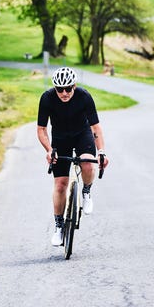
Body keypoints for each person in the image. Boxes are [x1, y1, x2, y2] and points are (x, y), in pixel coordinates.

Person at [37, 67, 109, 246]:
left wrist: (101, 152)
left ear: (74, 86)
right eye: (59, 89)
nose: (64, 93)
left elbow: (95, 127)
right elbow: (41, 129)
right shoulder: (47, 98)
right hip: (60, 139)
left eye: (68, 88)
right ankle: (59, 226)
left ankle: (86, 191)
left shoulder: (84, 96)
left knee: (88, 163)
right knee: (60, 184)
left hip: (82, 135)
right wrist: (48, 149)